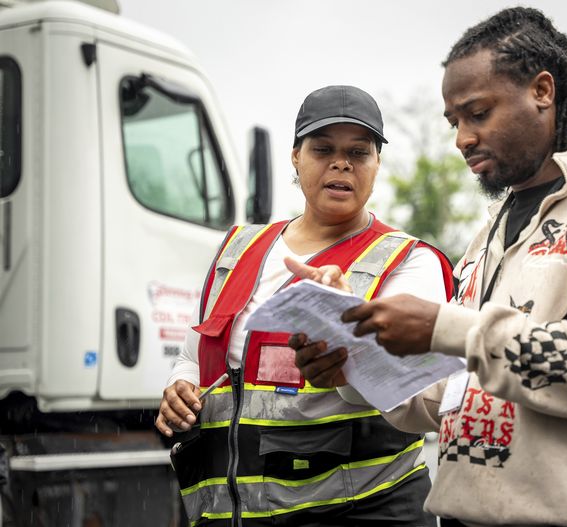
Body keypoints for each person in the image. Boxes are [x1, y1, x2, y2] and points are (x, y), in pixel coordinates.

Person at [290, 8, 567, 527]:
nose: (462, 138)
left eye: (478, 113)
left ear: (542, 91)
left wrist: (443, 326)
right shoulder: (489, 235)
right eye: (455, 122)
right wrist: (353, 363)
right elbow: (451, 393)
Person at [155, 85, 454, 527]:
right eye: (323, 149)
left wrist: (346, 316)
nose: (341, 163)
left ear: (376, 164)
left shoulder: (410, 260)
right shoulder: (238, 249)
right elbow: (193, 355)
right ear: (295, 156)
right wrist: (180, 386)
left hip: (361, 513)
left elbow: (417, 390)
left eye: (359, 151)